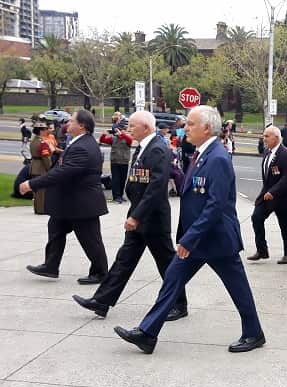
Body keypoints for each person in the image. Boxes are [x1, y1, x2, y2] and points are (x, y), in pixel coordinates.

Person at [113, 105, 264, 354]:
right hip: (197, 239)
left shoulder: (217, 157)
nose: (185, 128)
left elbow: (215, 206)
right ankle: (147, 333)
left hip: (216, 239)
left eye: (191, 124)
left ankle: (254, 333)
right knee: (171, 280)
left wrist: (189, 238)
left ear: (206, 128)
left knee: (238, 289)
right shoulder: (201, 153)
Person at [72, 111, 188, 321]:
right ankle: (102, 300)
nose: (129, 130)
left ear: (146, 127)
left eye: (133, 126)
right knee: (124, 260)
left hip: (152, 219)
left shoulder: (157, 149)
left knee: (166, 263)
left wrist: (136, 216)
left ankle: (179, 304)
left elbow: (156, 187)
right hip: (139, 215)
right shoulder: (144, 148)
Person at [21, 110, 109, 285]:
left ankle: (100, 273)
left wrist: (33, 184)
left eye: (71, 121)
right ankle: (51, 266)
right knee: (55, 229)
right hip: (69, 202)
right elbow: (60, 168)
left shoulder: (83, 146)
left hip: (82, 203)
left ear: (82, 126)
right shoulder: (79, 143)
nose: (67, 123)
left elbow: (63, 172)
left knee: (90, 239)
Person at [247, 125, 287, 264]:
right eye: (264, 136)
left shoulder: (286, 154)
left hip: (281, 197)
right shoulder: (267, 152)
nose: (264, 139)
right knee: (256, 217)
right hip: (266, 195)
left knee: (285, 226)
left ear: (276, 137)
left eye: (267, 136)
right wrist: (265, 193)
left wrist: (273, 191)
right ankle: (262, 250)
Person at [100, 113, 133, 204]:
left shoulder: (127, 138)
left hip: (124, 161)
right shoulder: (113, 139)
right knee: (115, 179)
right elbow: (103, 140)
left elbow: (130, 141)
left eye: (122, 129)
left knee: (123, 179)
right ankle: (116, 196)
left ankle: (121, 195)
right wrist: (104, 134)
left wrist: (121, 134)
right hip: (115, 161)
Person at [29, 122, 54, 215]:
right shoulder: (42, 143)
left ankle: (36, 208)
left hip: (34, 167)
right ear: (40, 131)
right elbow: (46, 158)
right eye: (44, 129)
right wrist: (49, 168)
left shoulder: (33, 141)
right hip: (41, 168)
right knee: (41, 191)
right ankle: (41, 210)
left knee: (36, 191)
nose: (46, 131)